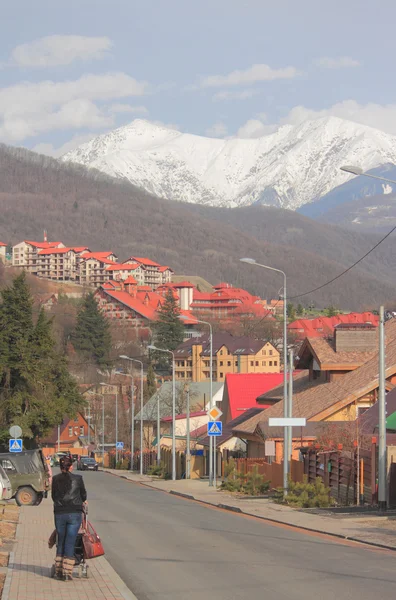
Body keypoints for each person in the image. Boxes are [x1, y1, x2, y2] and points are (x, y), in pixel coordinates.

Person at [51, 455, 87, 580]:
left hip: (60, 513)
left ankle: (58, 570)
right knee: (70, 541)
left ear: (61, 467)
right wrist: (83, 501)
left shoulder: (55, 479)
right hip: (74, 513)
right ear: (71, 466)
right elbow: (83, 494)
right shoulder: (78, 478)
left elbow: (53, 496)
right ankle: (67, 573)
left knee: (61, 539)